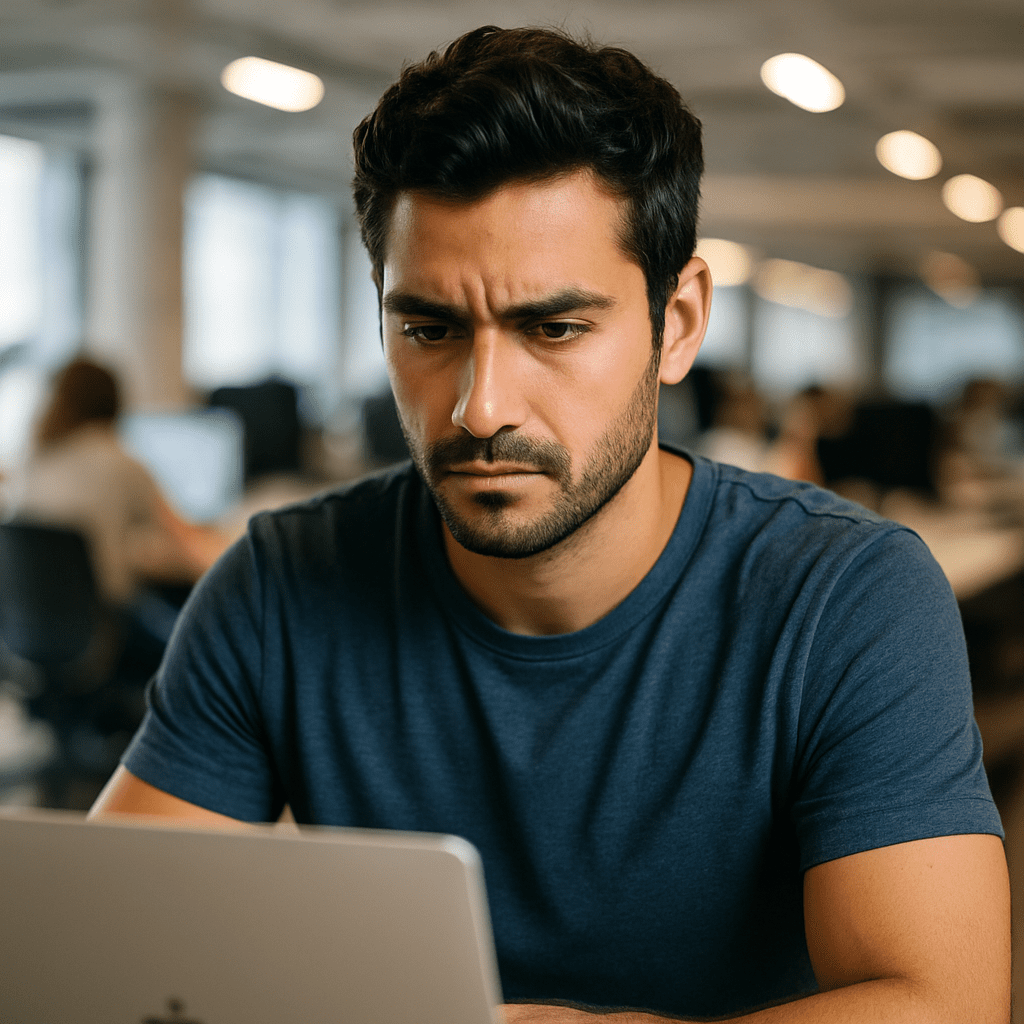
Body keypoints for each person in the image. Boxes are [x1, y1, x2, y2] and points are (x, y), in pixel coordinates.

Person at [90, 26, 1009, 1023]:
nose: (480, 407)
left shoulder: (846, 595)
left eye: (554, 328)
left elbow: (947, 1002)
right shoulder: (281, 583)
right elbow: (102, 949)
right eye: (429, 329)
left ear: (677, 323)